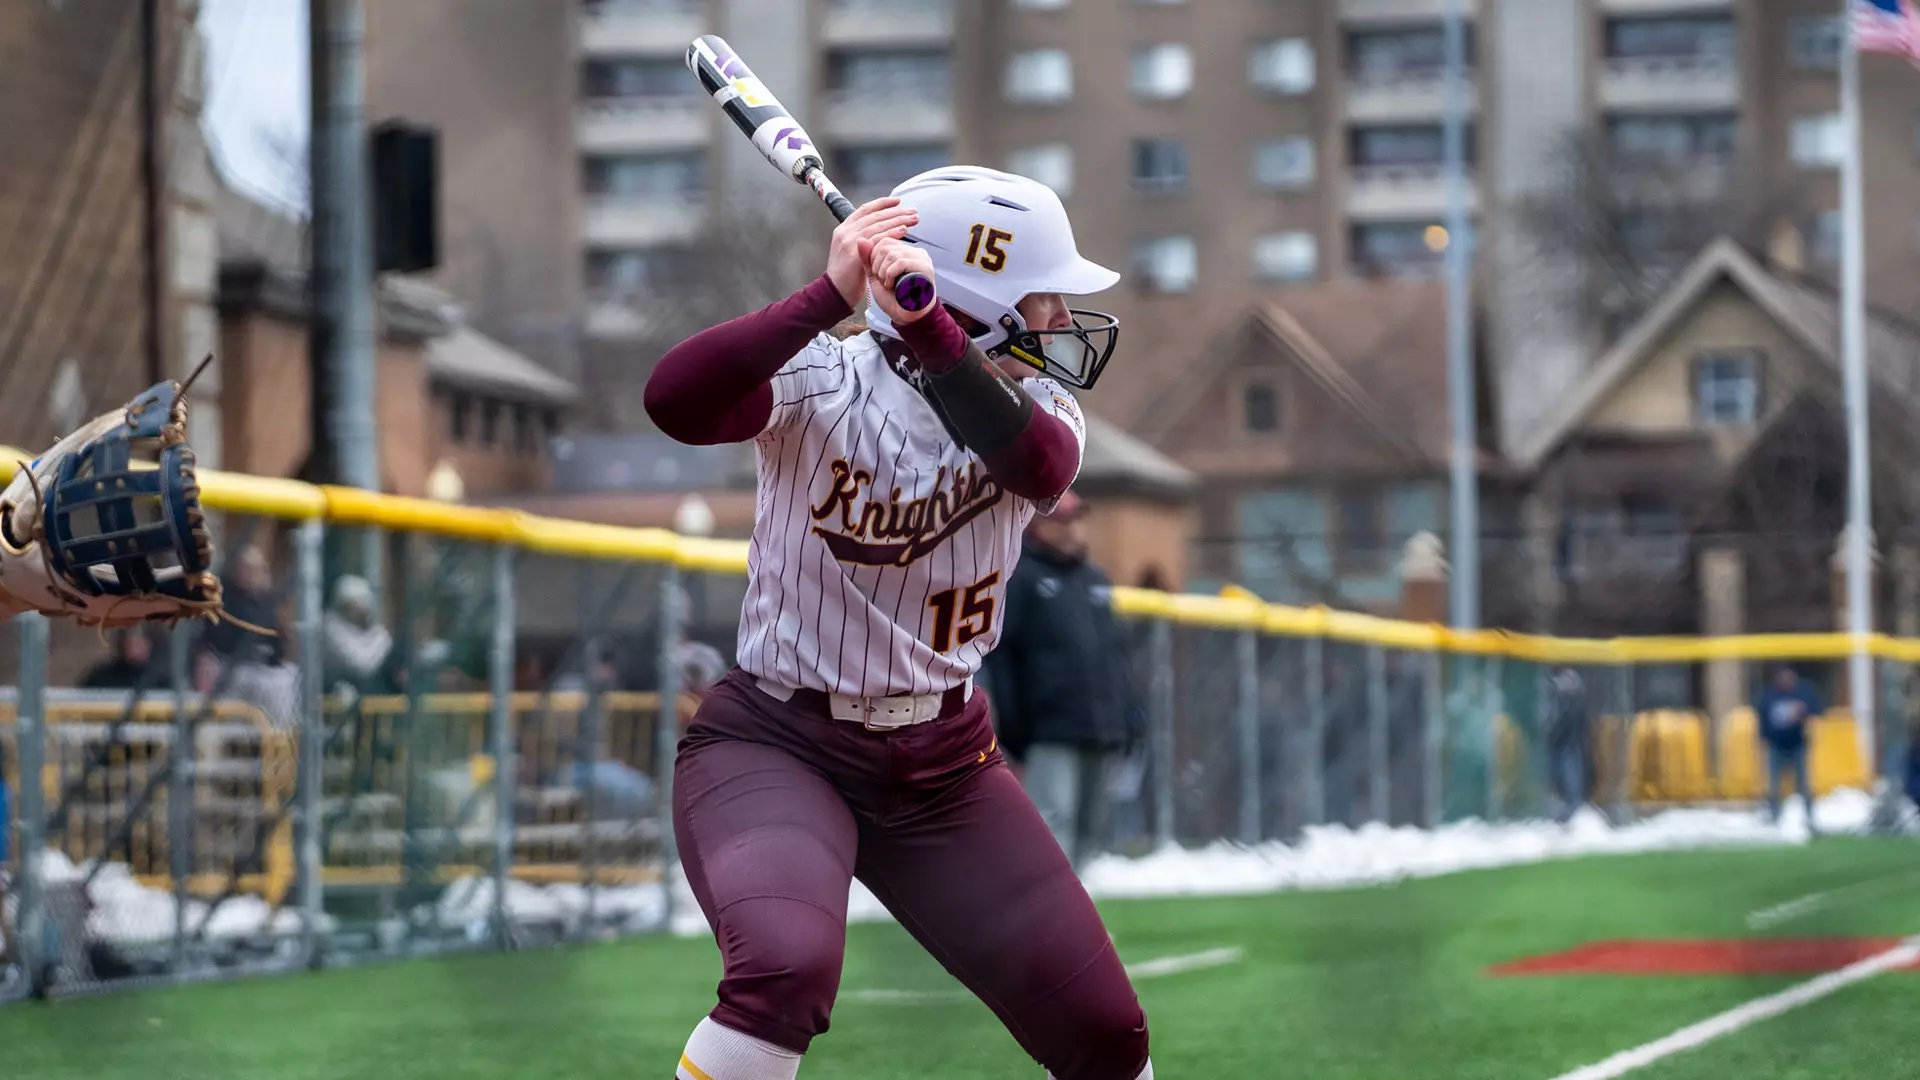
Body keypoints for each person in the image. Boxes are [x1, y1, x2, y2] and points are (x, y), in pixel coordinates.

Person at [644, 166, 1151, 1080]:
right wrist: (826, 295)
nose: (1059, 318)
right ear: (977, 301)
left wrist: (934, 335)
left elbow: (1035, 467)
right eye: (1041, 296)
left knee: (1105, 1033)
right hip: (778, 740)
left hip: (943, 760)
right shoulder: (822, 376)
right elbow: (673, 401)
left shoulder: (1043, 408)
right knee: (784, 974)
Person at [984, 490, 1143, 868]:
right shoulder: (1021, 576)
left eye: (1076, 520)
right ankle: (1046, 906)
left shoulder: (1094, 579)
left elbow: (1117, 656)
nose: (1072, 529)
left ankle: (1076, 905)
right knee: (1052, 828)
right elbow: (1001, 658)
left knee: (1089, 834)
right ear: (1039, 524)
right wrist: (1015, 726)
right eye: (1062, 520)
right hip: (1049, 730)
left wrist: (1129, 715)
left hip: (1102, 729)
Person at [1756, 664, 1822, 831]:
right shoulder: (1769, 695)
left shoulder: (1802, 693)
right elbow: (1762, 719)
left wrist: (1803, 712)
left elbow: (1816, 710)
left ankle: (1809, 818)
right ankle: (1774, 817)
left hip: (1797, 745)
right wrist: (1763, 741)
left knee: (1803, 784)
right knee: (1773, 785)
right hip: (1776, 746)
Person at [1544, 666, 1593, 823]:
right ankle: (1568, 816)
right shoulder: (1560, 690)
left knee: (1571, 790)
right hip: (1563, 747)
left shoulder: (1566, 692)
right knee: (1566, 788)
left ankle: (1570, 816)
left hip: (1569, 747)